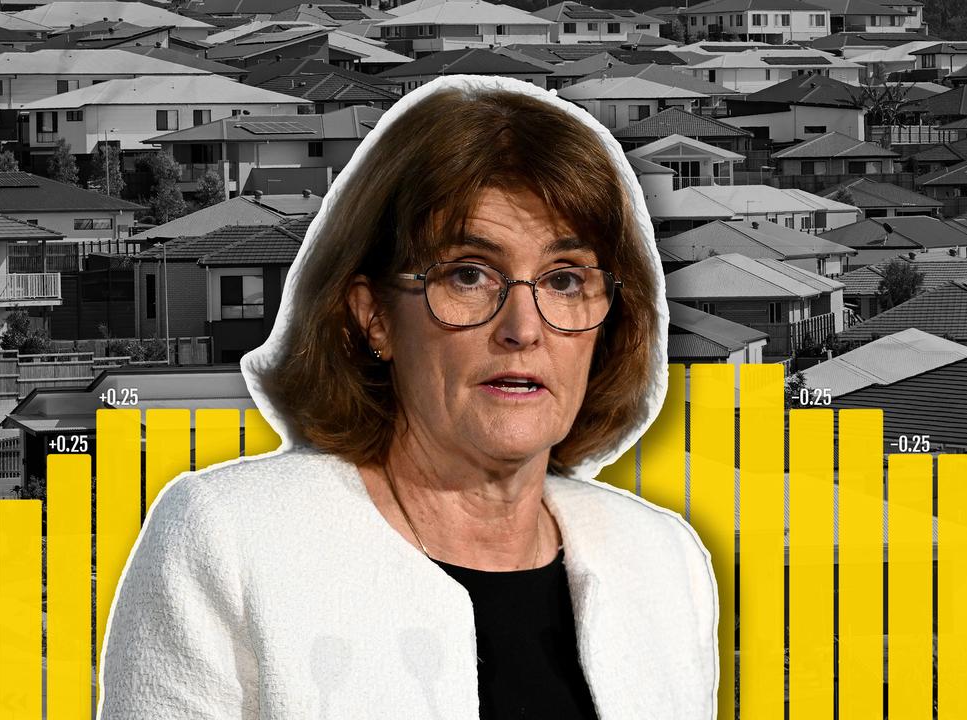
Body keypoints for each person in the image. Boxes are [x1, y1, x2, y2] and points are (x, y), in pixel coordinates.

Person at [96, 74, 718, 719]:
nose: (523, 329)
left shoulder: (661, 561)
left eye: (564, 281)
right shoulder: (230, 540)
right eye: (469, 275)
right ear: (375, 318)